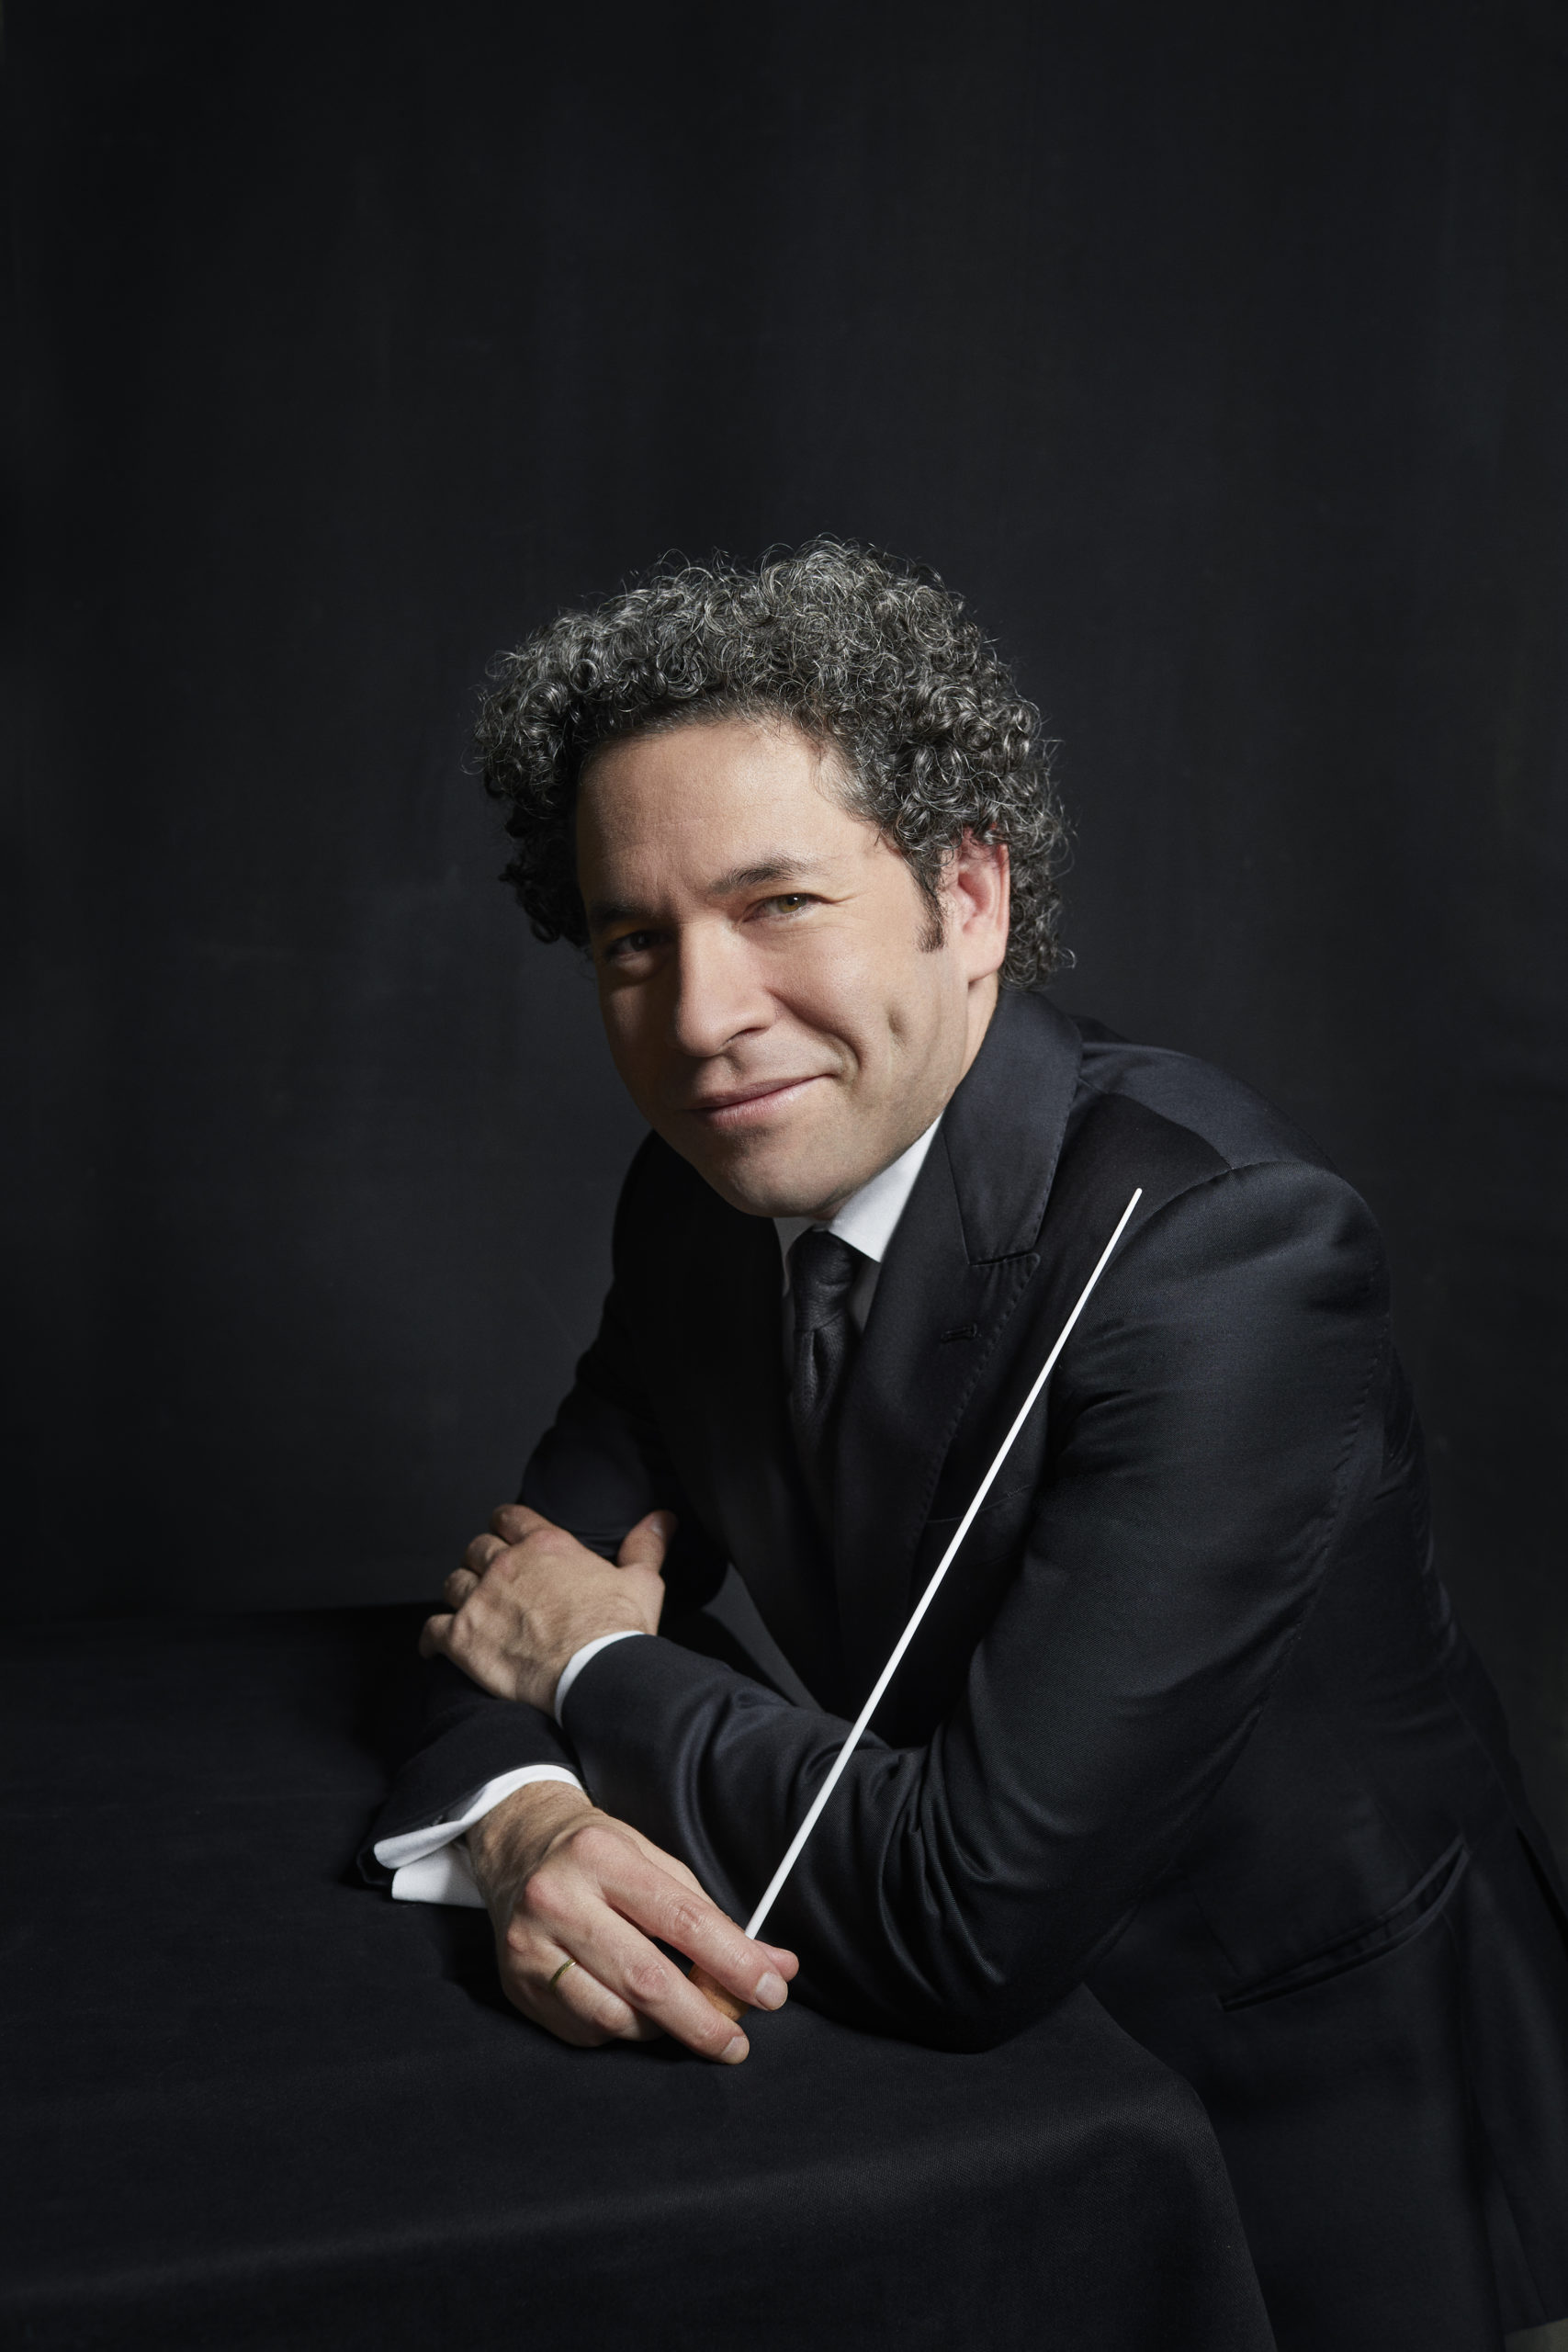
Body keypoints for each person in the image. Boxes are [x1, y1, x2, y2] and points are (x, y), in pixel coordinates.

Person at [363, 541, 1568, 2351]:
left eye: (778, 903)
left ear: (970, 893)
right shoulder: (697, 1201)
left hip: (1355, 2155)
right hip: (1005, 2142)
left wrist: (596, 1672)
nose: (701, 1018)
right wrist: (527, 1820)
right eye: (634, 941)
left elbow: (962, 1908)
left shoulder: (1229, 1255)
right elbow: (507, 1602)